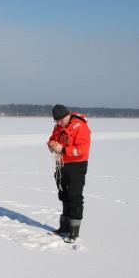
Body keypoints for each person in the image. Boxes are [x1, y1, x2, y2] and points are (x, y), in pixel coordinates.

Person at [47, 104, 92, 243]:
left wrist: (63, 150)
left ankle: (74, 232)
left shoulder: (80, 126)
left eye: (61, 121)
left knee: (75, 197)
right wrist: (51, 145)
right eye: (56, 121)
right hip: (61, 165)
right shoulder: (58, 127)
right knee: (64, 195)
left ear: (67, 116)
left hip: (76, 165)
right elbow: (53, 138)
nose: (59, 123)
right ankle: (64, 227)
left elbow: (83, 149)